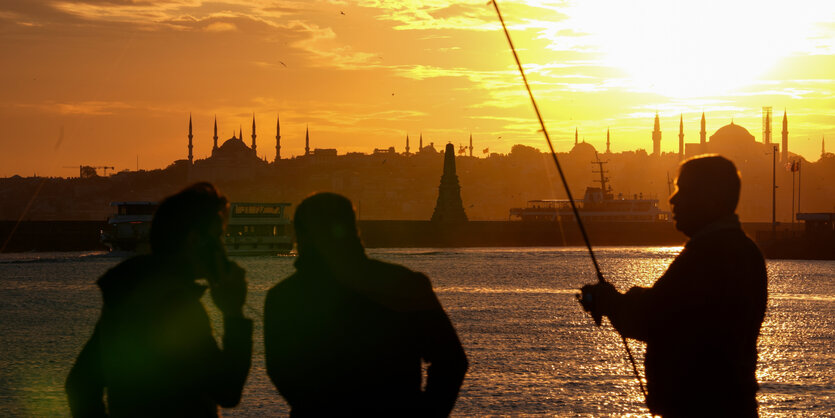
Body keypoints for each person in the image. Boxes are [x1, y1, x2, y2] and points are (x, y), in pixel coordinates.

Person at [580, 155, 768, 417]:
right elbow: (672, 309)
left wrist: (608, 300)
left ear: (710, 199)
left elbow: (654, 317)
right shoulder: (742, 250)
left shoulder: (709, 255)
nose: (673, 200)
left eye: (683, 190)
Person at [264, 193, 468, 416]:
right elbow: (451, 361)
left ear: (302, 237)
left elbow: (281, 371)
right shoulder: (405, 284)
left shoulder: (284, 297)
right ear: (354, 230)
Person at [65, 183, 252, 417]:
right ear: (195, 240)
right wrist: (233, 313)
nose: (222, 248)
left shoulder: (126, 296)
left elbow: (80, 384)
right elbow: (228, 392)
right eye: (217, 237)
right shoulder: (175, 304)